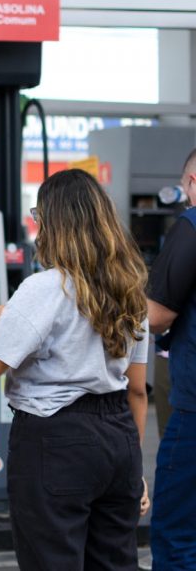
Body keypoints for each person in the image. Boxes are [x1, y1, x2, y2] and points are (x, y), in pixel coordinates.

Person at [0, 169, 149, 571]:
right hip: (118, 435)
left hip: (54, 438)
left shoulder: (45, 288)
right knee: (116, 561)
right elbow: (138, 390)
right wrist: (134, 469)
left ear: (52, 223)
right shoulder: (130, 287)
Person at [148, 147, 196, 569]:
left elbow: (157, 313)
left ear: (192, 183)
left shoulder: (191, 225)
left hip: (195, 407)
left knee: (176, 530)